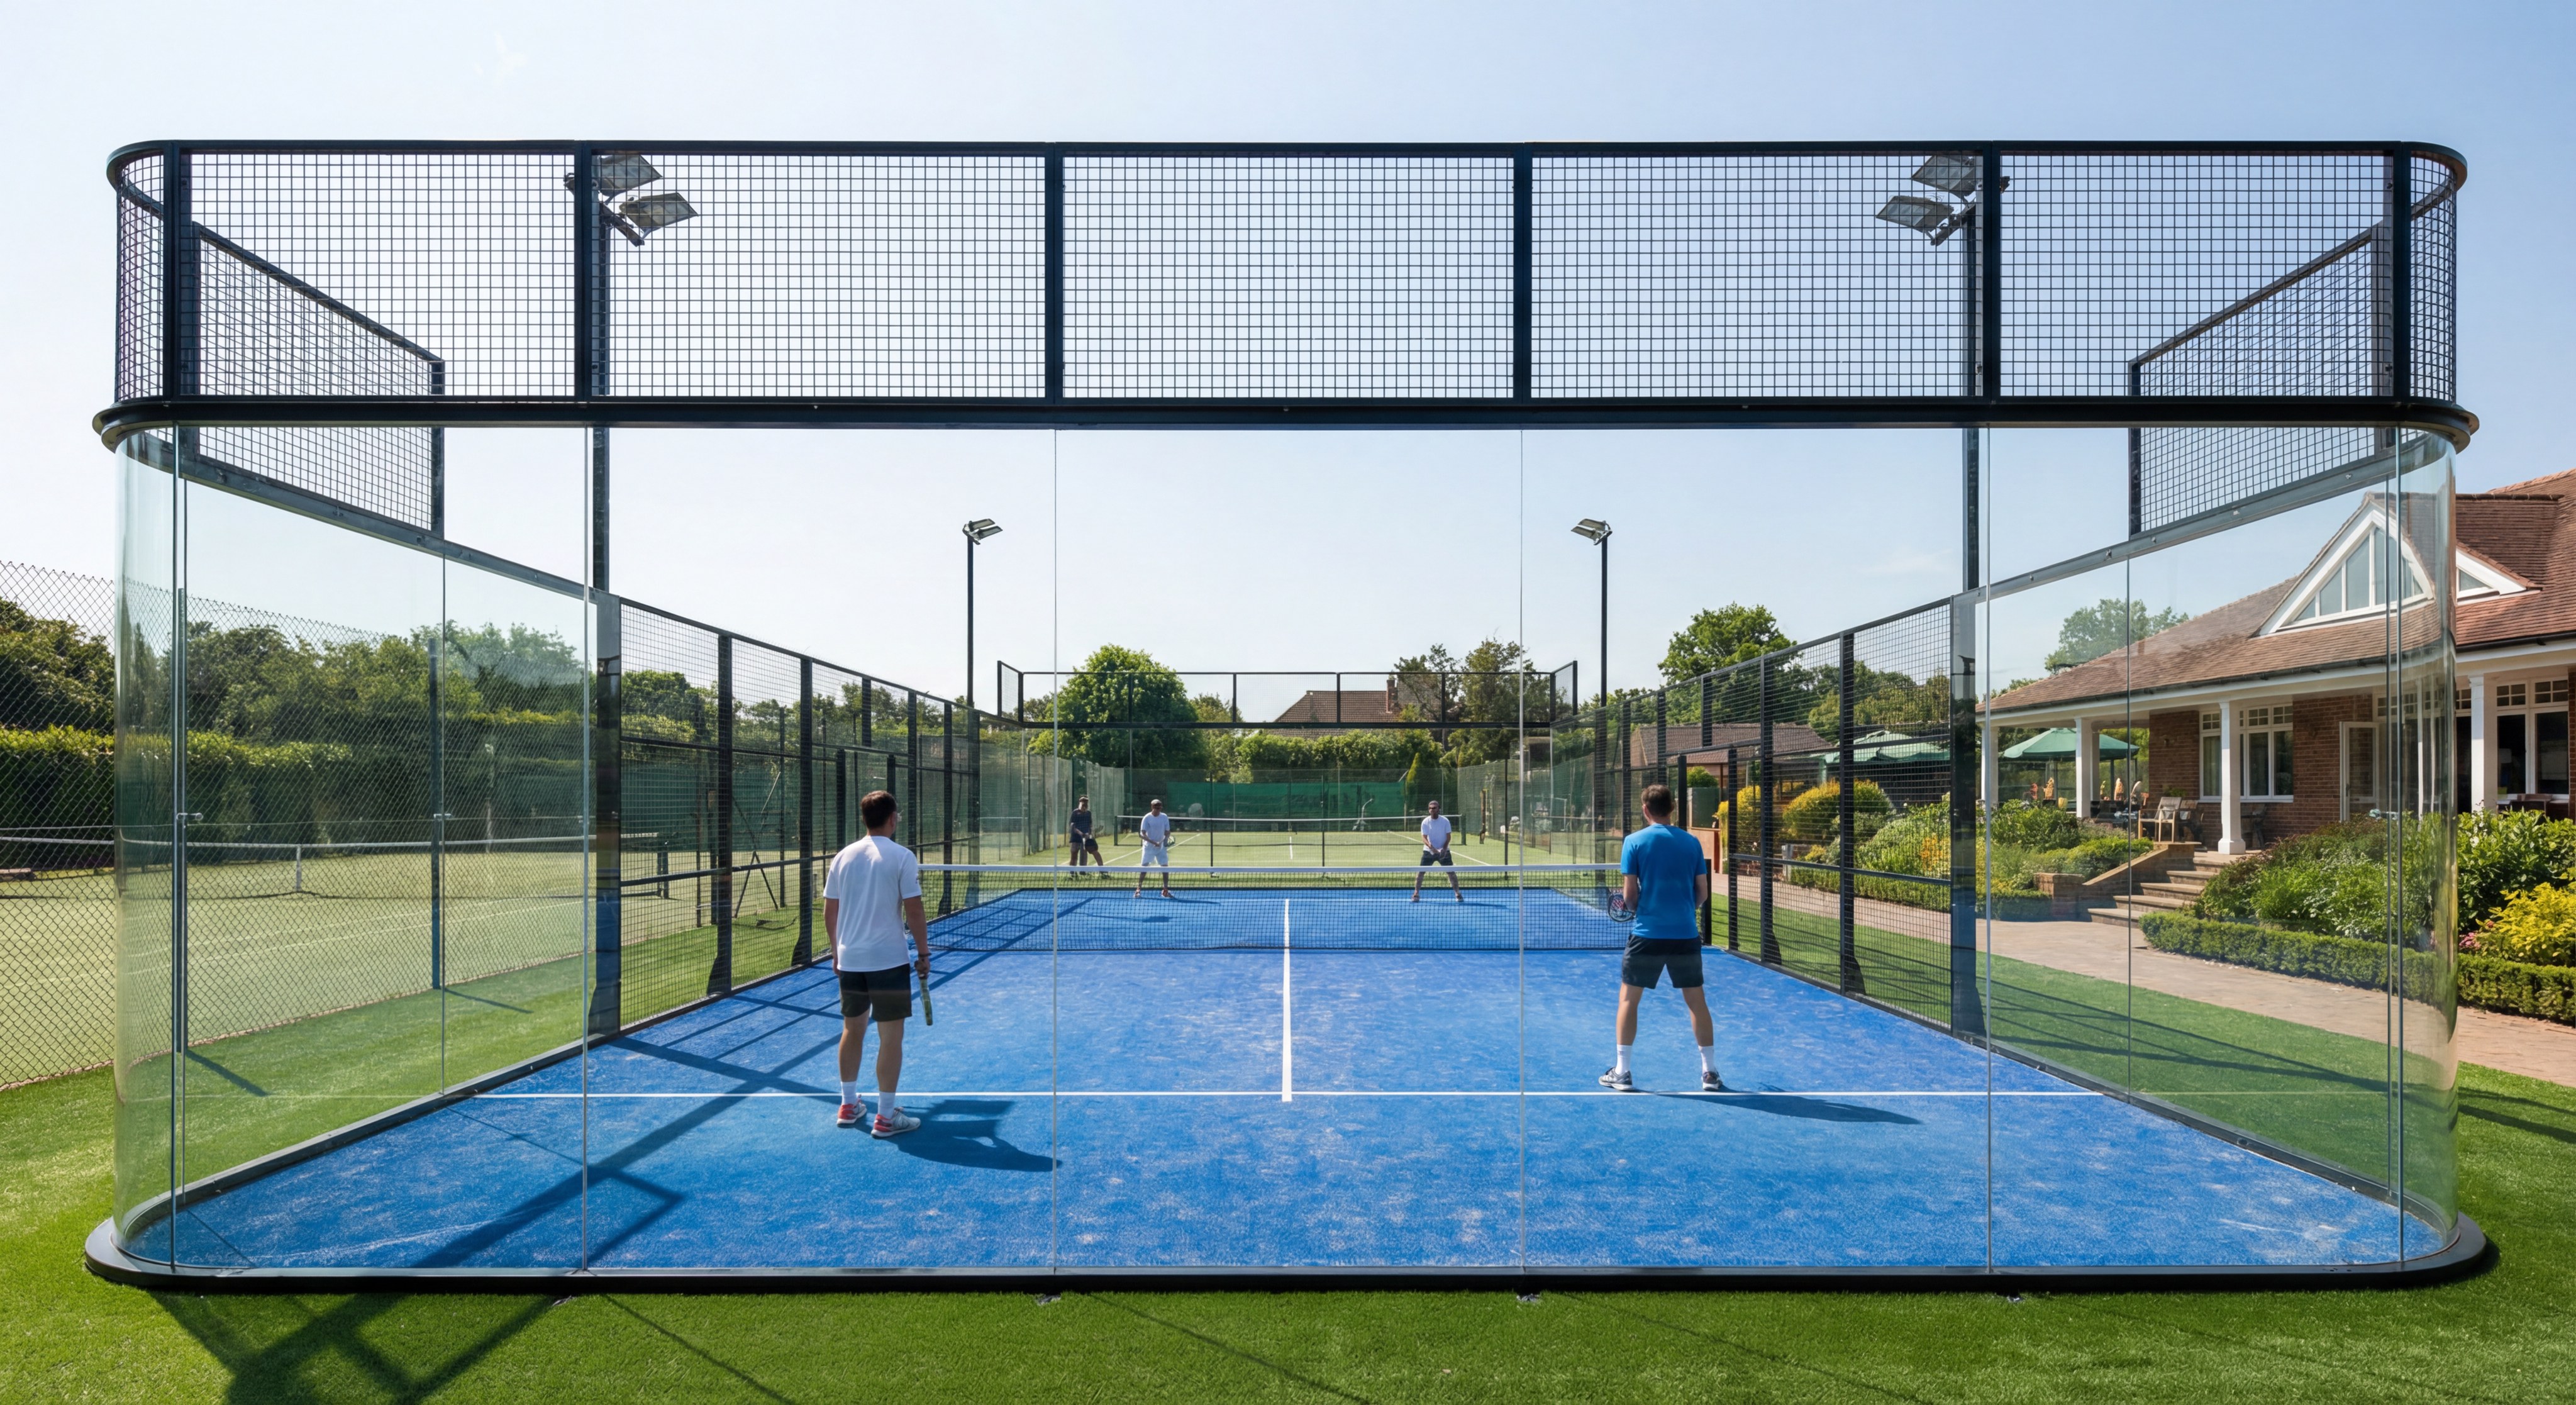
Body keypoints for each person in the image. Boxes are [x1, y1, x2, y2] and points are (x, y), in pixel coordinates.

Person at [821, 789, 933, 1136]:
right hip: (888, 961)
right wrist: (924, 953)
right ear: (892, 818)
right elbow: (914, 909)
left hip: (851, 960)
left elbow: (830, 910)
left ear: (864, 819)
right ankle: (885, 1117)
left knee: (852, 1031)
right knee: (891, 1037)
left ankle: (849, 1104)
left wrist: (837, 952)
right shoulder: (902, 856)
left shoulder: (842, 857)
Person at [1600, 783, 1723, 1094]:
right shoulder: (1692, 843)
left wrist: (1642, 907)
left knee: (1629, 1000)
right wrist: (1680, 911)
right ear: (1673, 808)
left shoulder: (1633, 842)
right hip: (1685, 934)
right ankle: (1710, 1073)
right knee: (1697, 1002)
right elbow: (1702, 894)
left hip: (1647, 935)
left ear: (1645, 810)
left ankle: (1623, 1073)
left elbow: (1629, 899)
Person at [1411, 798, 1464, 903]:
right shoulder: (1425, 822)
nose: (1432, 810)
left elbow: (1448, 837)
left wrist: (1444, 849)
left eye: (1434, 808)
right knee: (1421, 873)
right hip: (1428, 851)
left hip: (1444, 851)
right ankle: (1416, 894)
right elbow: (1424, 838)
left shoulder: (1445, 821)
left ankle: (1458, 893)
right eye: (1430, 808)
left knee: (1451, 873)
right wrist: (1432, 848)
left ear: (1439, 809)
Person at [1133, 797, 1175, 898]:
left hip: (1161, 848)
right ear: (1152, 807)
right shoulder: (1147, 818)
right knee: (1144, 868)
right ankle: (1138, 889)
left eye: (1160, 808)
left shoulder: (1164, 817)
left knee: (1165, 868)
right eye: (1156, 808)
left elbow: (1167, 832)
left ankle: (1165, 890)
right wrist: (1153, 842)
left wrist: (1162, 842)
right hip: (1149, 848)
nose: (1158, 810)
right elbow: (1142, 834)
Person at [1068, 794, 1103, 870]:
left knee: (1090, 853)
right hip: (1076, 837)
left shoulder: (1088, 813)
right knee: (1074, 855)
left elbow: (1090, 825)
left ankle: (1100, 871)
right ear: (1080, 802)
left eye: (1086, 802)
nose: (1085, 804)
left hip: (1086, 838)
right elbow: (1073, 826)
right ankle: (1072, 873)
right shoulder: (1075, 813)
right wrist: (1081, 833)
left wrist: (1090, 834)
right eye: (1083, 802)